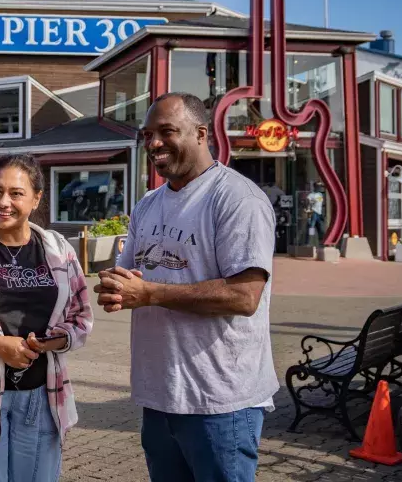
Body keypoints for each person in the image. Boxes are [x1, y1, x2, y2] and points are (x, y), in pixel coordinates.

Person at [95, 92, 278, 482]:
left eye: (166, 132)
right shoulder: (148, 204)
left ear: (200, 133)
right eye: (147, 135)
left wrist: (149, 294)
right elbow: (133, 277)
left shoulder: (237, 199)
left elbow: (245, 296)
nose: (154, 143)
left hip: (220, 402)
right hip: (160, 395)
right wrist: (115, 286)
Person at [0, 154, 93, 482]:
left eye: (15, 193)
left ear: (37, 198)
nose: (3, 203)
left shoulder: (58, 250)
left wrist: (57, 340)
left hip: (44, 395)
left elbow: (82, 316)